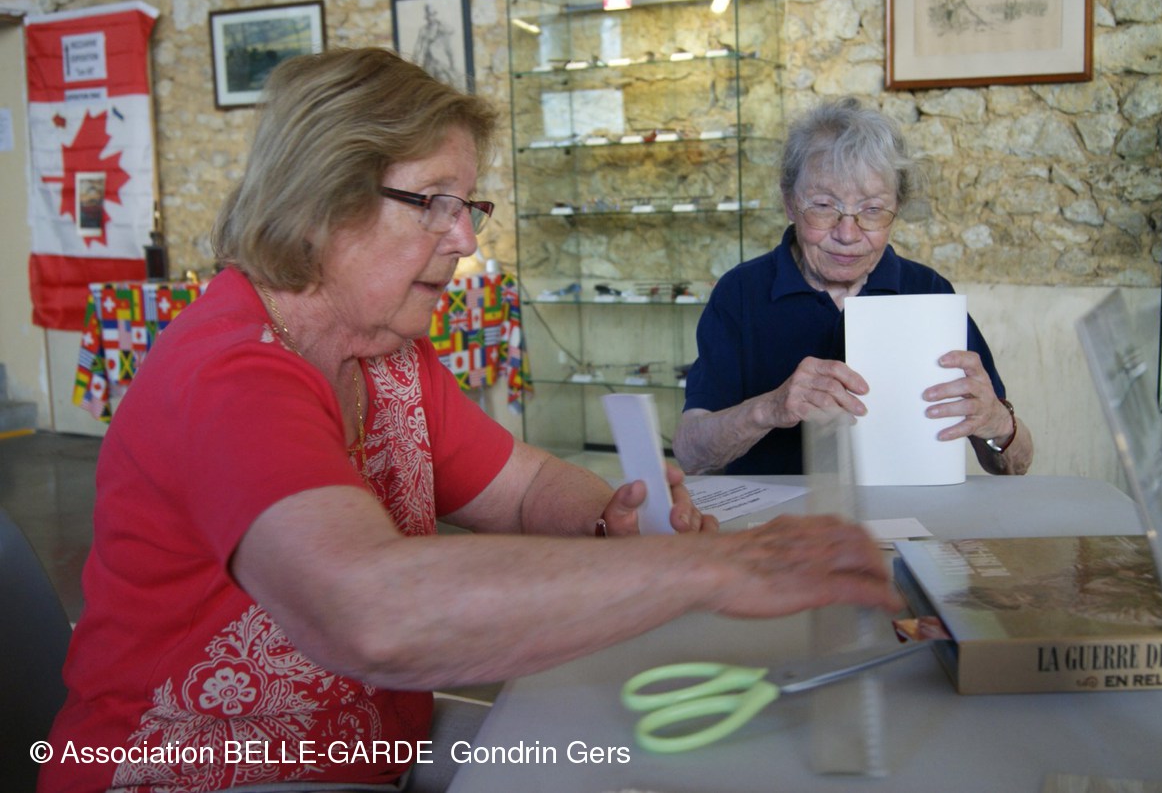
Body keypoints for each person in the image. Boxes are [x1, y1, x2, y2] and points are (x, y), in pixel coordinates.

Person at [40, 49, 901, 793]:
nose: (465, 241)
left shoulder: (385, 354)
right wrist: (708, 568)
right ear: (321, 201)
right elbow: (370, 612)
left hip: (371, 748)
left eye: (467, 207)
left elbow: (521, 486)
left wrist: (609, 515)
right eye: (435, 203)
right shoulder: (230, 372)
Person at [674, 97, 1034, 477]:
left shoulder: (928, 292)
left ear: (896, 210)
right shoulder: (741, 292)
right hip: (774, 513)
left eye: (872, 210)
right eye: (824, 206)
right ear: (790, 203)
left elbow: (1017, 465)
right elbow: (691, 454)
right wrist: (770, 408)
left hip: (906, 510)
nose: (847, 234)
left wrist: (997, 421)